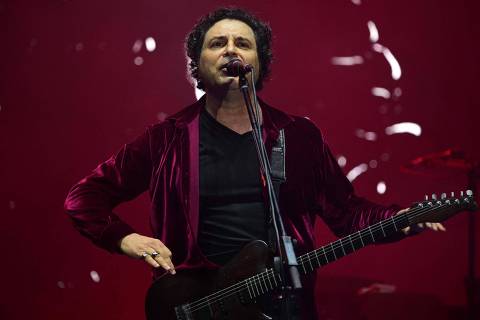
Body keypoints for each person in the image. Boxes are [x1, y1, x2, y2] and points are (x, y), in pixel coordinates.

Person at [64, 7, 445, 319]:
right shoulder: (167, 138)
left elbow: (347, 213)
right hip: (198, 306)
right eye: (218, 43)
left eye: (242, 43)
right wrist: (127, 239)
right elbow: (84, 198)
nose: (231, 50)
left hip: (281, 306)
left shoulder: (297, 136)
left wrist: (402, 220)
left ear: (258, 63)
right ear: (197, 63)